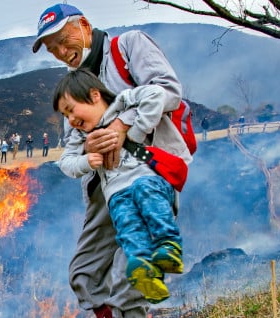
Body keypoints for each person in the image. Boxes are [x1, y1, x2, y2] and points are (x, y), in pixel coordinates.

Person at [33, 3, 187, 317]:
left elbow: (169, 90)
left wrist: (121, 126)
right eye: (53, 49)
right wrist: (90, 142)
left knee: (132, 275)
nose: (62, 52)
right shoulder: (70, 88)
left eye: (65, 40)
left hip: (147, 173)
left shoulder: (128, 46)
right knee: (84, 275)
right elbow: (72, 146)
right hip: (107, 188)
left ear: (84, 26)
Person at [54, 69, 184, 304]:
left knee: (150, 202)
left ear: (94, 95)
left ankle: (168, 246)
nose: (71, 121)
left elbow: (156, 93)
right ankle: (144, 272)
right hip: (117, 194)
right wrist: (85, 161)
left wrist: (133, 129)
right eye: (65, 115)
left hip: (146, 179)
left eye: (71, 110)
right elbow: (65, 162)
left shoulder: (122, 103)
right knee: (128, 228)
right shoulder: (79, 135)